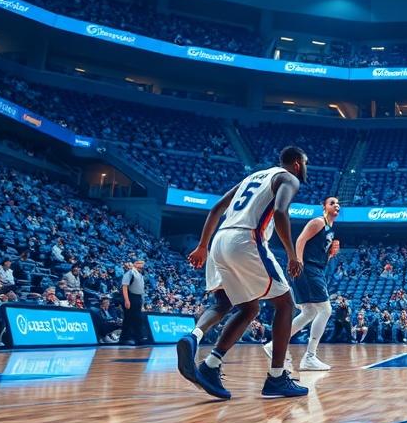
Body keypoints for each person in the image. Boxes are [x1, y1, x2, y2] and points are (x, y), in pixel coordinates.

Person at [176, 146, 308, 400]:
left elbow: (216, 208)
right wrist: (292, 254)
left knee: (240, 306)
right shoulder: (288, 178)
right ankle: (277, 377)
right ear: (296, 164)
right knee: (285, 305)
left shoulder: (252, 177)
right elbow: (280, 212)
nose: (305, 168)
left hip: (219, 241)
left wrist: (202, 246)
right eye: (305, 163)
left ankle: (202, 351)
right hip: (246, 240)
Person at [266, 196, 341, 371]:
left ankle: (273, 345)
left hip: (315, 269)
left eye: (338, 203)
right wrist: (298, 262)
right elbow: (300, 240)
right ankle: (310, 357)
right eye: (332, 203)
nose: (336, 205)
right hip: (307, 269)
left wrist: (330, 254)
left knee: (309, 312)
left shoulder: (330, 230)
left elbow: (319, 255)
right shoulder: (318, 222)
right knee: (325, 310)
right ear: (324, 207)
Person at [119, 260, 147, 346]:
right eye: (139, 263)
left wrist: (142, 303)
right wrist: (127, 300)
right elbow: (124, 287)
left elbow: (141, 290)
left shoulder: (140, 275)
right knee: (128, 318)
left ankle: (138, 338)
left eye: (142, 264)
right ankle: (124, 339)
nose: (141, 265)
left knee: (138, 319)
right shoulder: (130, 273)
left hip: (138, 298)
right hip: (131, 296)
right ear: (135, 264)